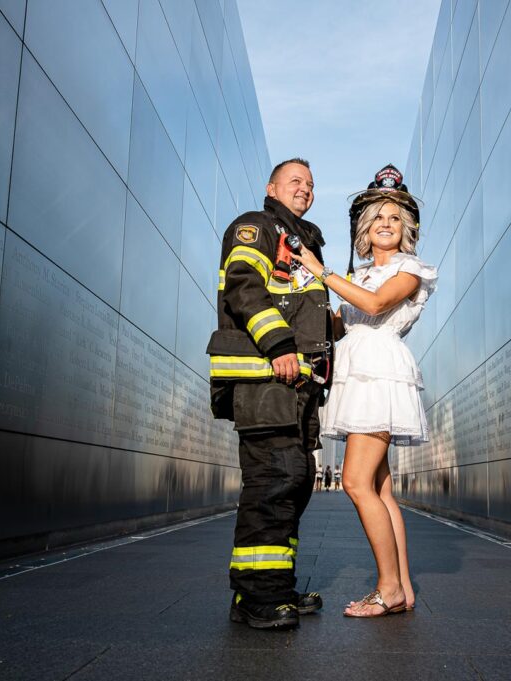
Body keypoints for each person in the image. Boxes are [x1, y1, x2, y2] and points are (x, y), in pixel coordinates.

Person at [291, 164, 436, 618]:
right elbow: (340, 323)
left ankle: (388, 588)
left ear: (406, 228)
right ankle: (404, 588)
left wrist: (321, 270)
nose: (386, 224)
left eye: (394, 217)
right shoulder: (361, 275)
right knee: (381, 489)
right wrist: (305, 290)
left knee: (354, 481)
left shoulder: (410, 270)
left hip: (380, 374)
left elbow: (374, 306)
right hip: (358, 371)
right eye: (378, 217)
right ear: (364, 229)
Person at [208, 158, 334, 630]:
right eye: (296, 181)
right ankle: (255, 596)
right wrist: (279, 344)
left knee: (295, 481)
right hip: (265, 378)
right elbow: (244, 288)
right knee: (273, 481)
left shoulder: (304, 242)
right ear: (272, 187)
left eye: (311, 184)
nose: (305, 189)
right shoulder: (255, 228)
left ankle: (276, 586)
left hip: (297, 387)